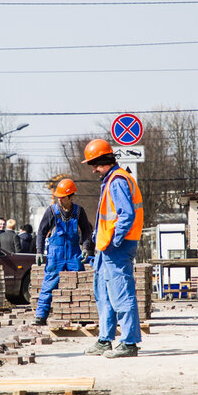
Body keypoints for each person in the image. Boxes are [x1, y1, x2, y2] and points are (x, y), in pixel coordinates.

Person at [81, 139, 144, 358]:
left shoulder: (117, 181)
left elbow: (126, 216)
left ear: (105, 161)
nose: (93, 169)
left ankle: (129, 342)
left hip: (116, 247)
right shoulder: (110, 181)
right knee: (104, 295)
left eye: (95, 165)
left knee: (121, 294)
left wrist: (114, 242)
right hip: (105, 249)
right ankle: (105, 339)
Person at [33, 178, 94, 326]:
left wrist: (86, 247)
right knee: (49, 283)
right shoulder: (51, 211)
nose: (59, 199)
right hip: (56, 254)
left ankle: (83, 315)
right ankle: (40, 316)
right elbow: (41, 231)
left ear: (71, 196)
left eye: (63, 197)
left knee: (79, 283)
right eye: (58, 197)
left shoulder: (79, 211)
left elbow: (87, 230)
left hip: (74, 254)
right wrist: (39, 250)